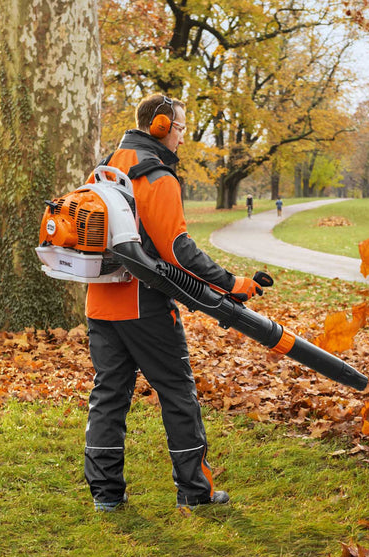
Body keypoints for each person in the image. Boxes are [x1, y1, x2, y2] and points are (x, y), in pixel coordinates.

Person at [83, 93, 264, 513]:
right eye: (180, 128)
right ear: (161, 126)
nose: (182, 138)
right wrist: (232, 283)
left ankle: (106, 494)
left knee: (109, 394)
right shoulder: (157, 177)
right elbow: (180, 252)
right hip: (143, 304)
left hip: (99, 301)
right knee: (177, 392)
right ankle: (195, 492)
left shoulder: (105, 169)